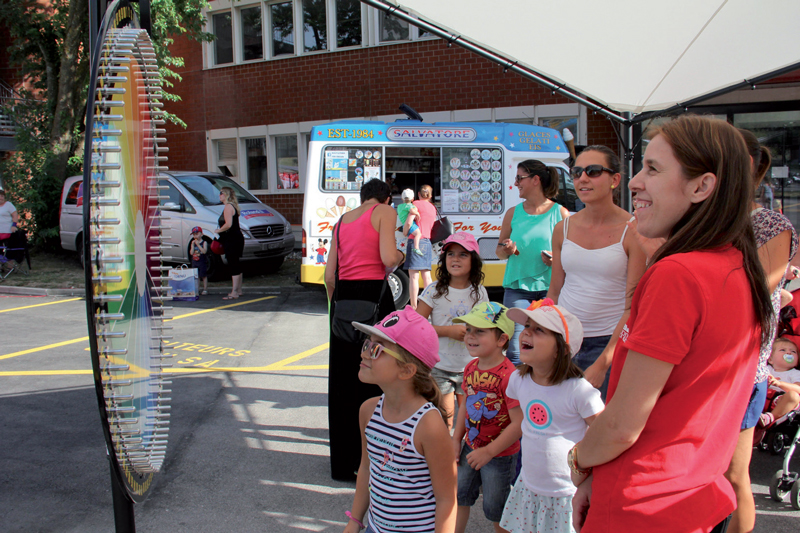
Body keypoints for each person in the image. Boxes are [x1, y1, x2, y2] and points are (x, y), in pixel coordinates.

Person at [569, 115, 772, 533]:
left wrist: (579, 460)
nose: (635, 182)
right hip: (693, 496)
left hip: (641, 504)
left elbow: (624, 424)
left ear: (702, 187)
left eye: (653, 169)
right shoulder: (737, 265)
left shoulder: (678, 274)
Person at [724, 127, 797, 533]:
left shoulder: (769, 222)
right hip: (703, 366)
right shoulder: (702, 219)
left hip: (740, 367)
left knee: (735, 476)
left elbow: (758, 292)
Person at [345, 306, 457, 533]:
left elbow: (447, 499)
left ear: (407, 371)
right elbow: (367, 468)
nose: (364, 353)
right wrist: (355, 522)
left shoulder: (429, 426)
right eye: (367, 344)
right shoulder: (368, 411)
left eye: (377, 349)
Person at [547, 146, 647, 400]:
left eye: (593, 171)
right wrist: (543, 333)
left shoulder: (633, 231)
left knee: (598, 427)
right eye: (577, 172)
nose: (582, 178)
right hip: (563, 341)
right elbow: (555, 290)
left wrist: (604, 362)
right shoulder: (563, 228)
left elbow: (632, 307)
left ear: (615, 180)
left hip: (607, 344)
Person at [499, 299, 604, 533]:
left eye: (539, 330)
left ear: (562, 349)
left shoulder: (580, 391)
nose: (526, 332)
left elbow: (603, 434)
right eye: (527, 326)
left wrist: (590, 479)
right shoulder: (518, 380)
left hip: (566, 493)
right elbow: (520, 421)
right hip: (529, 485)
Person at [325, 178, 405, 482]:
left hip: (344, 299)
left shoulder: (343, 220)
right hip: (374, 296)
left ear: (362, 197)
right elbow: (387, 258)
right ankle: (376, 461)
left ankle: (344, 463)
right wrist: (400, 255)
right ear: (385, 199)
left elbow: (329, 274)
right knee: (378, 377)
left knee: (344, 382)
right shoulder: (385, 213)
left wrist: (339, 305)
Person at [450, 302, 522, 533]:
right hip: (470, 447)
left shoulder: (510, 376)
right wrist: (455, 440)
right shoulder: (471, 367)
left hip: (499, 455)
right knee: (459, 497)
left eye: (480, 331)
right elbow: (466, 406)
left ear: (502, 340)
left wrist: (490, 451)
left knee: (497, 510)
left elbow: (519, 423)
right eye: (469, 330)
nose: (470, 336)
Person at [497, 160, 570, 365]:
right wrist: (507, 249)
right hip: (517, 290)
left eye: (519, 178)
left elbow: (570, 256)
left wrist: (556, 261)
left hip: (551, 290)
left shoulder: (560, 213)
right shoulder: (513, 213)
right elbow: (499, 252)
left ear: (535, 180)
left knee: (550, 348)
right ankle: (518, 396)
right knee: (517, 352)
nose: (516, 183)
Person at [416, 232, 489, 428]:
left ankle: (463, 455)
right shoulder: (433, 290)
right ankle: (446, 457)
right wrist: (447, 331)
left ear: (473, 261)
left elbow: (486, 327)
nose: (455, 259)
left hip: (472, 368)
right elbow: (416, 327)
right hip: (440, 367)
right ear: (443, 259)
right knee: (444, 419)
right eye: (450, 254)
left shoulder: (480, 292)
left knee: (471, 421)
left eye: (463, 254)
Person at [406, 184, 436, 309]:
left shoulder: (415, 205)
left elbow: (409, 222)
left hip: (415, 241)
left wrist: (405, 231)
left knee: (413, 277)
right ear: (430, 195)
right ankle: (429, 304)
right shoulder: (433, 208)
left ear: (418, 194)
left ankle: (414, 306)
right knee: (427, 276)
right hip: (427, 242)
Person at [759, 337, 800, 428]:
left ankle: (770, 417)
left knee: (793, 396)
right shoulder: (766, 369)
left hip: (781, 400)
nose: (789, 353)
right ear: (770, 359)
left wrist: (779, 384)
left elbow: (798, 388)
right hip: (763, 396)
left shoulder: (795, 373)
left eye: (793, 352)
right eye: (783, 350)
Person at [214, 187, 245, 300]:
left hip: (232, 239)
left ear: (226, 194)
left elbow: (228, 224)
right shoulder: (232, 206)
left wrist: (218, 230)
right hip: (236, 238)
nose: (219, 195)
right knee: (236, 262)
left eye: (221, 193)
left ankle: (234, 292)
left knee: (233, 264)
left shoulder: (228, 207)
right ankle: (239, 289)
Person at [397, 188, 423, 256]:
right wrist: (417, 213)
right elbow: (412, 211)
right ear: (412, 199)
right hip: (411, 224)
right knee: (418, 234)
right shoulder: (409, 206)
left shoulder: (399, 206)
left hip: (404, 224)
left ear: (402, 198)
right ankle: (416, 247)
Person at [0, 189, 20, 265]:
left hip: (8, 232)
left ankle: (10, 266)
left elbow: (15, 215)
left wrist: (14, 225)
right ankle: (1, 266)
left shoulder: (8, 205)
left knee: (9, 249)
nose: (1, 198)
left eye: (2, 196)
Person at [189, 227, 209, 295]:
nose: (195, 236)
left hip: (202, 261)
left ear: (201, 234)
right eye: (194, 235)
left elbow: (204, 251)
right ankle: (198, 288)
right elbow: (191, 253)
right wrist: (192, 245)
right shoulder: (193, 243)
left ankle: (205, 289)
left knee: (203, 275)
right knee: (196, 276)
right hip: (195, 261)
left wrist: (198, 244)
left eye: (197, 234)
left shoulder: (204, 242)